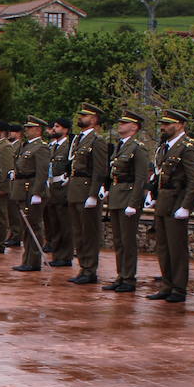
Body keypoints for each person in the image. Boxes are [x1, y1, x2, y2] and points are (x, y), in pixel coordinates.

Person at [145, 108, 194, 304]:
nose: (164, 127)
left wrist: (186, 206)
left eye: (168, 124)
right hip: (163, 201)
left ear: (180, 125)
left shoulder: (187, 147)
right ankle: (167, 284)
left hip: (177, 200)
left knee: (177, 248)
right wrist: (153, 195)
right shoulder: (164, 147)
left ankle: (179, 287)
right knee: (163, 247)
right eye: (163, 124)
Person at [103, 110, 150, 294]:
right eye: (120, 122)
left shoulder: (137, 148)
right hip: (117, 196)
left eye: (124, 123)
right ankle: (121, 275)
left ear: (134, 127)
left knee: (127, 240)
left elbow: (140, 178)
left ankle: (129, 278)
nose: (120, 125)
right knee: (118, 240)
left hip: (128, 198)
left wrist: (134, 202)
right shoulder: (120, 146)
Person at [68, 104, 109, 285]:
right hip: (76, 190)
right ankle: (83, 267)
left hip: (86, 191)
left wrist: (93, 194)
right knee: (78, 233)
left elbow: (100, 170)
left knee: (89, 233)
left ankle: (90, 269)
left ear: (93, 119)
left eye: (85, 115)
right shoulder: (79, 139)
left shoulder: (96, 140)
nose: (81, 117)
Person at [11, 117, 51, 272]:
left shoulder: (41, 147)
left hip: (32, 189)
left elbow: (42, 173)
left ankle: (33, 261)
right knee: (25, 226)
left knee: (33, 225)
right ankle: (27, 259)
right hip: (22, 189)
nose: (26, 130)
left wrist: (37, 193)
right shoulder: (25, 145)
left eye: (29, 127)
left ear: (38, 129)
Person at [44, 118, 74, 268]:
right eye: (54, 126)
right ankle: (57, 254)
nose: (54, 129)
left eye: (57, 127)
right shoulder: (52, 147)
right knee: (54, 224)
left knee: (64, 225)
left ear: (66, 130)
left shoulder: (69, 146)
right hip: (52, 188)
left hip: (63, 188)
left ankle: (66, 256)